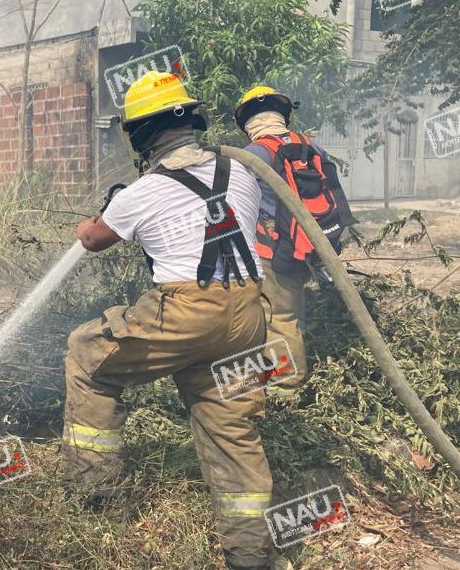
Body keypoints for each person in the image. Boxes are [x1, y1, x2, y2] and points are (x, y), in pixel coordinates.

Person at [64, 70, 290, 570]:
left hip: (188, 309)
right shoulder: (243, 174)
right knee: (230, 425)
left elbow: (93, 238)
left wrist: (99, 215)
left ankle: (94, 494)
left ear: (141, 133)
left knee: (87, 355)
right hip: (251, 311)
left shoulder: (143, 191)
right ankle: (251, 554)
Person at [234, 86, 355, 402]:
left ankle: (287, 386)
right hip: (309, 243)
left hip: (276, 247)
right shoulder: (311, 147)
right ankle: (274, 366)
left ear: (248, 121)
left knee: (279, 315)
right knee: (288, 309)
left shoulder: (255, 155)